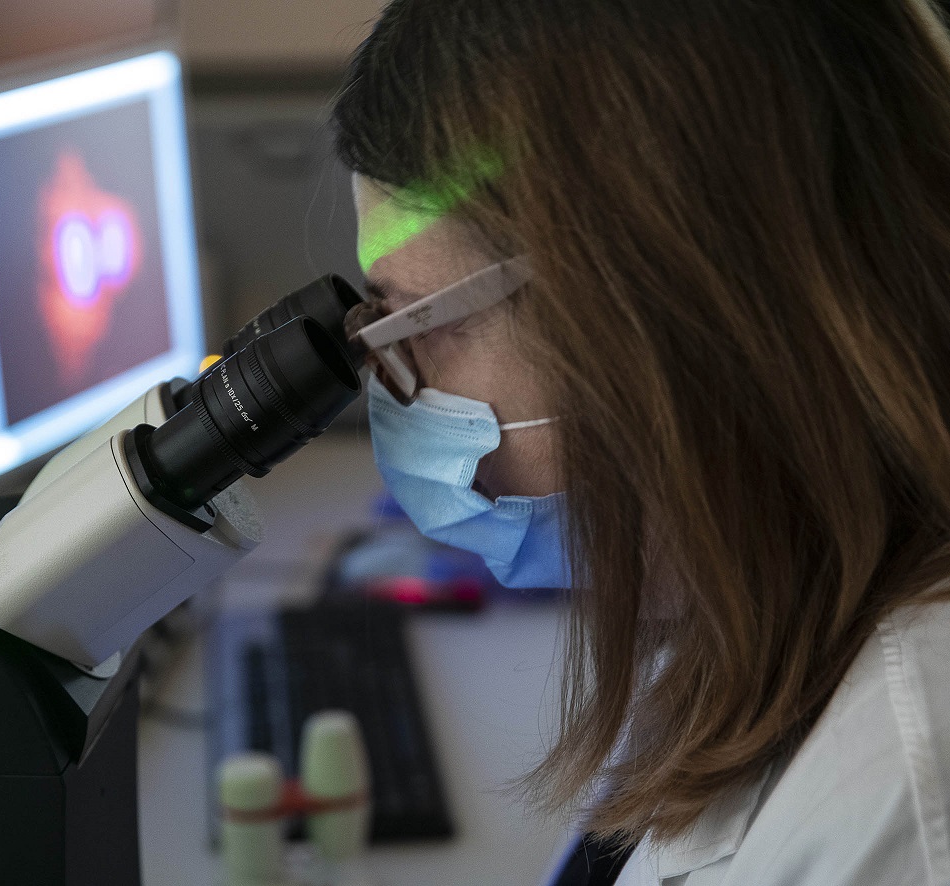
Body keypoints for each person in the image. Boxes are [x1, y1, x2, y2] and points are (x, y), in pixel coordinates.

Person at [332, 1, 950, 883]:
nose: (406, 396)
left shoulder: (901, 816)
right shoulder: (759, 585)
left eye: (418, 328)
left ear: (657, 324)